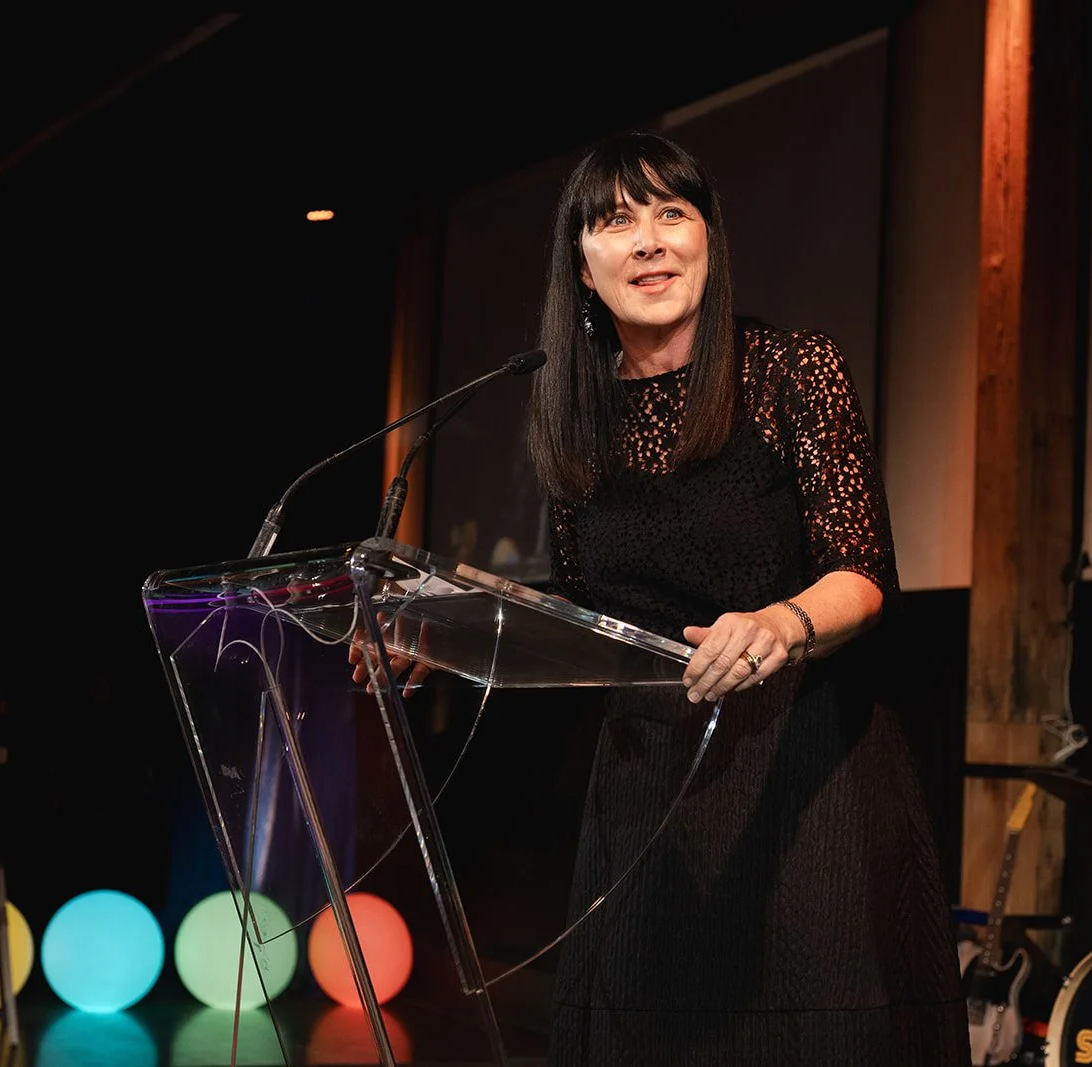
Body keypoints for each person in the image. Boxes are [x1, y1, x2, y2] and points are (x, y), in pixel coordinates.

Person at [357, 130, 967, 1065]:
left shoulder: (791, 370)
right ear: (583, 264)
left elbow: (864, 570)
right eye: (615, 221)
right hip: (649, 795)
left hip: (807, 779)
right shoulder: (571, 415)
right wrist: (438, 633)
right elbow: (580, 607)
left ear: (708, 242)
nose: (648, 240)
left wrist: (779, 623)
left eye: (671, 213)